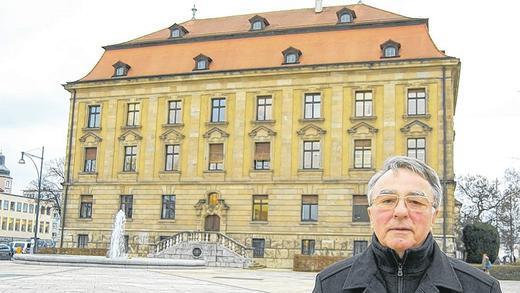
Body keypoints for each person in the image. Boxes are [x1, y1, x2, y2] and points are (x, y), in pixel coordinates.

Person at [313, 156, 502, 293]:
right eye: (387, 200)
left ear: (433, 215)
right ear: (371, 214)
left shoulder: (482, 288)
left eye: (415, 202)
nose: (401, 211)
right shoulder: (329, 285)